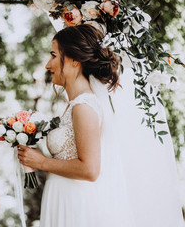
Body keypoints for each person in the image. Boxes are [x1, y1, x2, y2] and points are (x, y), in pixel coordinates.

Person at [17, 24, 184, 226]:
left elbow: (90, 169)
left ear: (74, 60)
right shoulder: (76, 104)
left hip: (76, 206)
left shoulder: (83, 106)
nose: (48, 64)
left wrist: (41, 162)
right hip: (63, 198)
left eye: (53, 55)